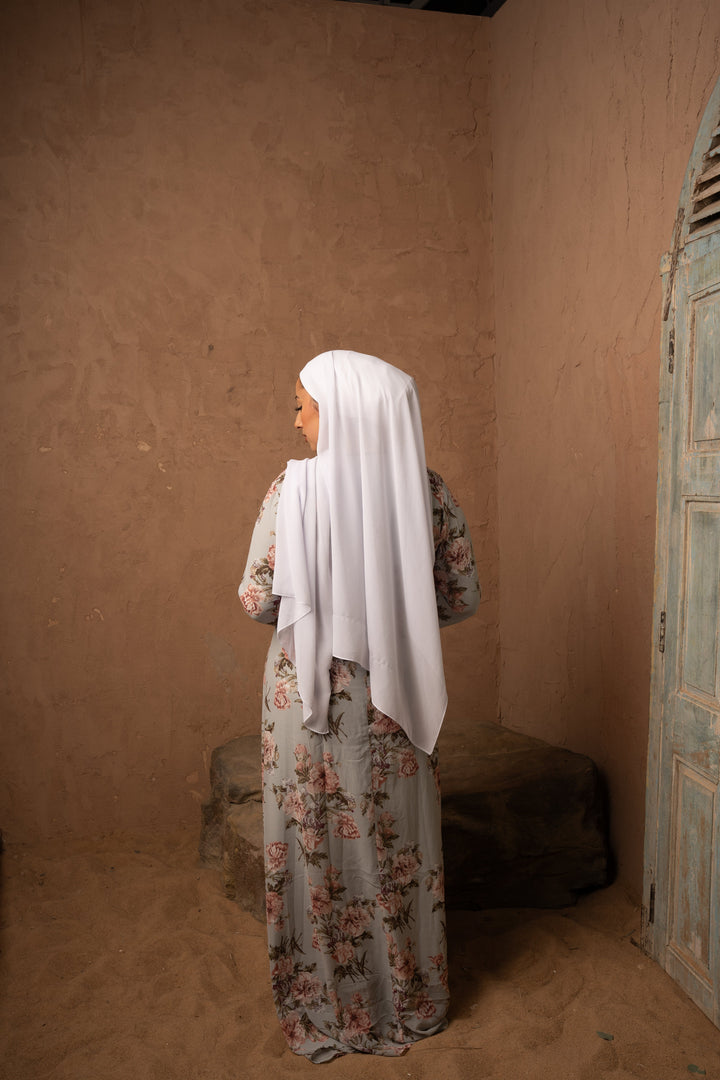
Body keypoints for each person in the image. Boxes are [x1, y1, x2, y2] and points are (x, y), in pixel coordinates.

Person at [238, 349, 479, 1061]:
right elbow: (460, 596)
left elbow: (256, 598)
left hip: (306, 701)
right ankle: (409, 995)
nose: (297, 421)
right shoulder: (424, 490)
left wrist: (325, 603)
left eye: (303, 406)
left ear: (340, 411)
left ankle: (324, 997)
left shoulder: (293, 490)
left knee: (314, 840)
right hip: (389, 696)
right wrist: (389, 609)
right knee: (394, 840)